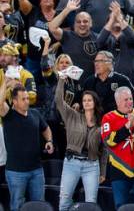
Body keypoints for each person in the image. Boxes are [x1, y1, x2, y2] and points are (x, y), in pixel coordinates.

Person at [2, 83, 54, 211]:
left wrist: (49, 141)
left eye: (27, 98)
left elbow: (46, 128)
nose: (27, 101)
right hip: (15, 172)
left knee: (39, 204)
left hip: (36, 170)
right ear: (14, 101)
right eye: (23, 99)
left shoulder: (35, 113)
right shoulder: (8, 115)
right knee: (17, 206)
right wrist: (5, 83)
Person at [101, 86, 134, 207]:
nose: (130, 102)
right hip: (118, 169)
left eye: (130, 98)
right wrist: (127, 126)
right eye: (125, 100)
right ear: (117, 102)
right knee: (121, 205)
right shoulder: (108, 118)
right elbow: (108, 141)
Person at [55, 78, 104, 211]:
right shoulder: (72, 115)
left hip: (92, 165)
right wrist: (61, 81)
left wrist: (103, 172)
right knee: (64, 201)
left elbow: (104, 150)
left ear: (95, 102)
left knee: (91, 203)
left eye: (89, 100)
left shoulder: (101, 123)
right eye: (84, 100)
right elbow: (59, 101)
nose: (87, 102)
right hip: (72, 162)